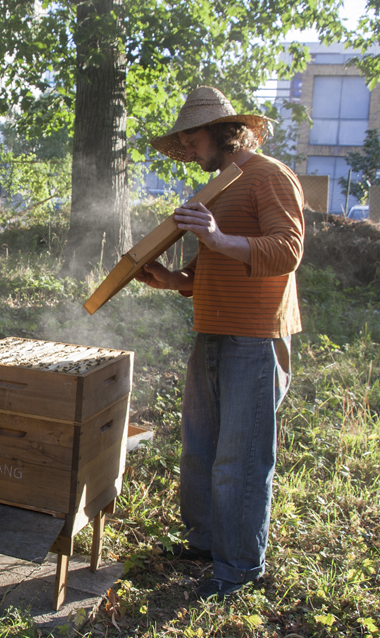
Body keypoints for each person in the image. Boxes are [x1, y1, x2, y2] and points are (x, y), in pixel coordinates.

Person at [138, 86, 304, 601]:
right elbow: (215, 262)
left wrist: (215, 238)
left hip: (254, 337)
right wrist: (176, 280)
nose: (188, 149)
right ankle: (207, 544)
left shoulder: (269, 175)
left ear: (224, 130)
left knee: (240, 457)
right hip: (210, 330)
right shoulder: (221, 186)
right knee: (202, 449)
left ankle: (238, 568)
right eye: (183, 140)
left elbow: (288, 249)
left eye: (192, 138)